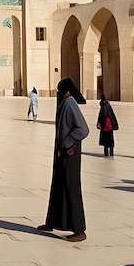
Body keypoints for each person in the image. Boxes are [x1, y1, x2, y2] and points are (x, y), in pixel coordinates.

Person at [37, 77, 89, 242]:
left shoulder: (70, 104)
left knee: (71, 189)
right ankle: (52, 222)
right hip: (62, 153)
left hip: (69, 154)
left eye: (60, 91)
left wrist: (67, 143)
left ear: (66, 91)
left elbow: (83, 129)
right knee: (58, 185)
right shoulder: (65, 103)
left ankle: (79, 230)